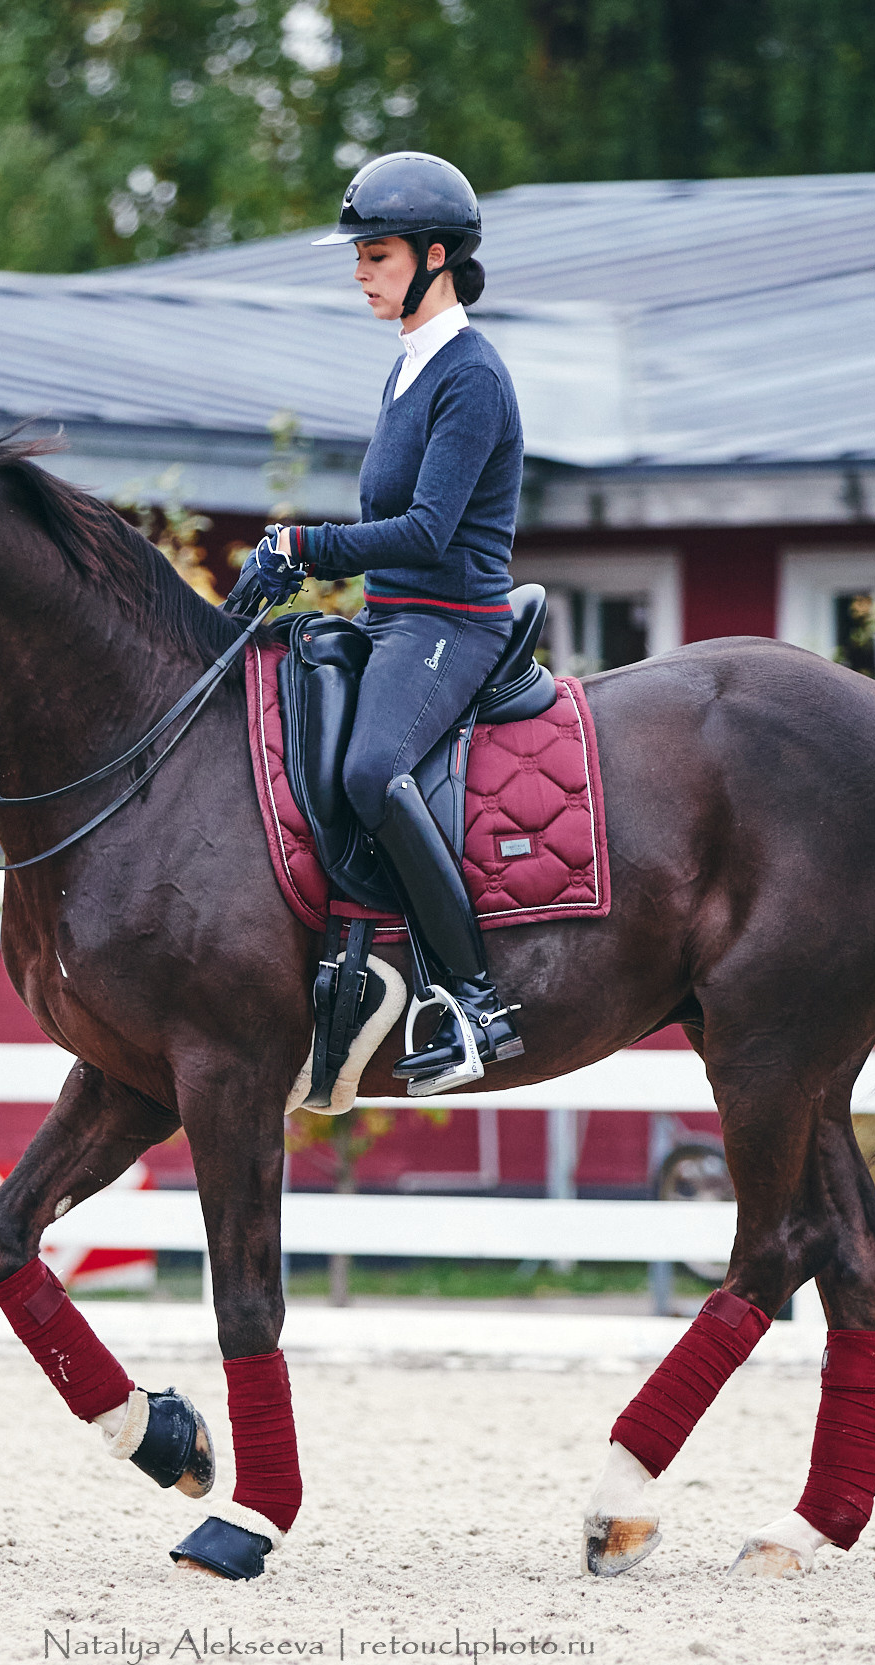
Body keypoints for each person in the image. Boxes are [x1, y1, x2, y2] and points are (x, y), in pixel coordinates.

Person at [233, 151, 526, 1091]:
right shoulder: (408, 368)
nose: (359, 268)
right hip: (394, 614)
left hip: (454, 619)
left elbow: (429, 531)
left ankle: (477, 1001)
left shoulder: (470, 376)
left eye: (377, 252)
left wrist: (304, 546)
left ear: (436, 256)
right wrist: (287, 573)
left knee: (369, 766)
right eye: (358, 253)